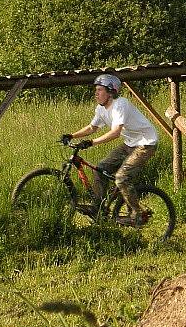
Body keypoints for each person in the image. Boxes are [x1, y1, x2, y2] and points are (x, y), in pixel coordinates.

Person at [62, 74, 158, 226]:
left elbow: (115, 132)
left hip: (146, 144)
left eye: (100, 90)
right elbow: (92, 128)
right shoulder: (101, 109)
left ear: (110, 91)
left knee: (121, 177)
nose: (96, 93)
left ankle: (137, 214)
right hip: (130, 144)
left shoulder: (121, 104)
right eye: (96, 90)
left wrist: (91, 143)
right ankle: (98, 208)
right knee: (100, 169)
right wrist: (71, 135)